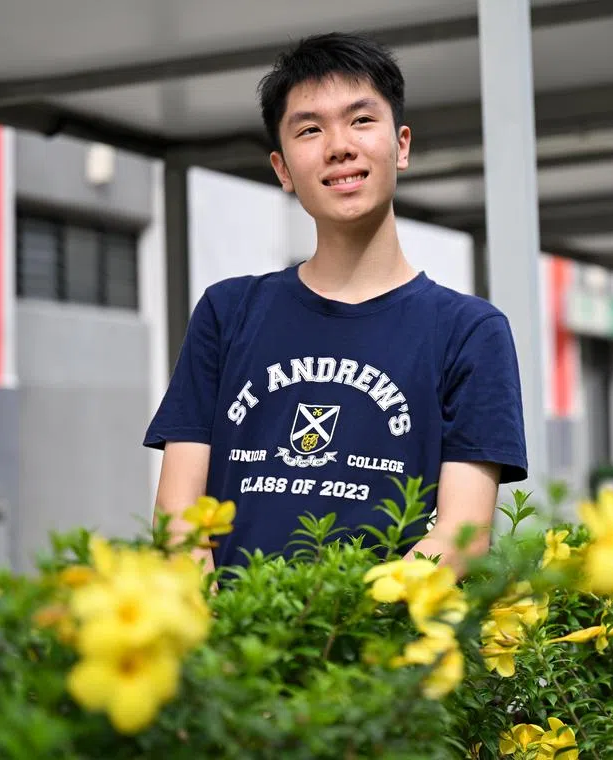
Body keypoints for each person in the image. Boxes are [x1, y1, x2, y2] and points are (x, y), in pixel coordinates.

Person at [143, 32, 528, 581]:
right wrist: (224, 640)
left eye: (361, 120)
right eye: (309, 129)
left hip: (379, 658)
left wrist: (340, 638)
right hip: (234, 651)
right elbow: (179, 518)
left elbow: (460, 537)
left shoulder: (469, 331)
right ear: (282, 168)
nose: (339, 146)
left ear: (401, 145)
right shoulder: (228, 313)